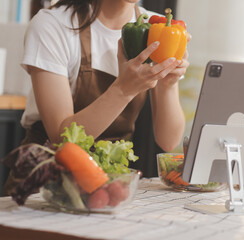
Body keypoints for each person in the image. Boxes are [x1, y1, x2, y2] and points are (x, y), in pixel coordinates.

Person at [3, 0, 189, 194]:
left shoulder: (157, 26)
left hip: (106, 186)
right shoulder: (53, 25)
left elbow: (168, 140)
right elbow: (61, 140)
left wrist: (169, 83)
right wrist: (123, 90)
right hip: (45, 184)